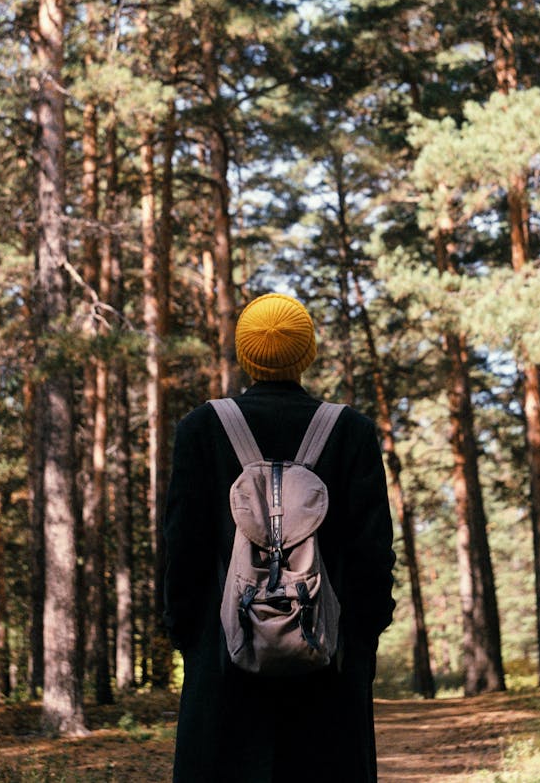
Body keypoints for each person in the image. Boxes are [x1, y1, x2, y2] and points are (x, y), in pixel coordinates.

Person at [164, 292, 396, 783]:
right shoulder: (351, 432)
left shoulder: (201, 429)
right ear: (306, 353)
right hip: (326, 665)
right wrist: (359, 641)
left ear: (244, 355)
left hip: (224, 662)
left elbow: (182, 549)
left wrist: (194, 640)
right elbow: (373, 554)